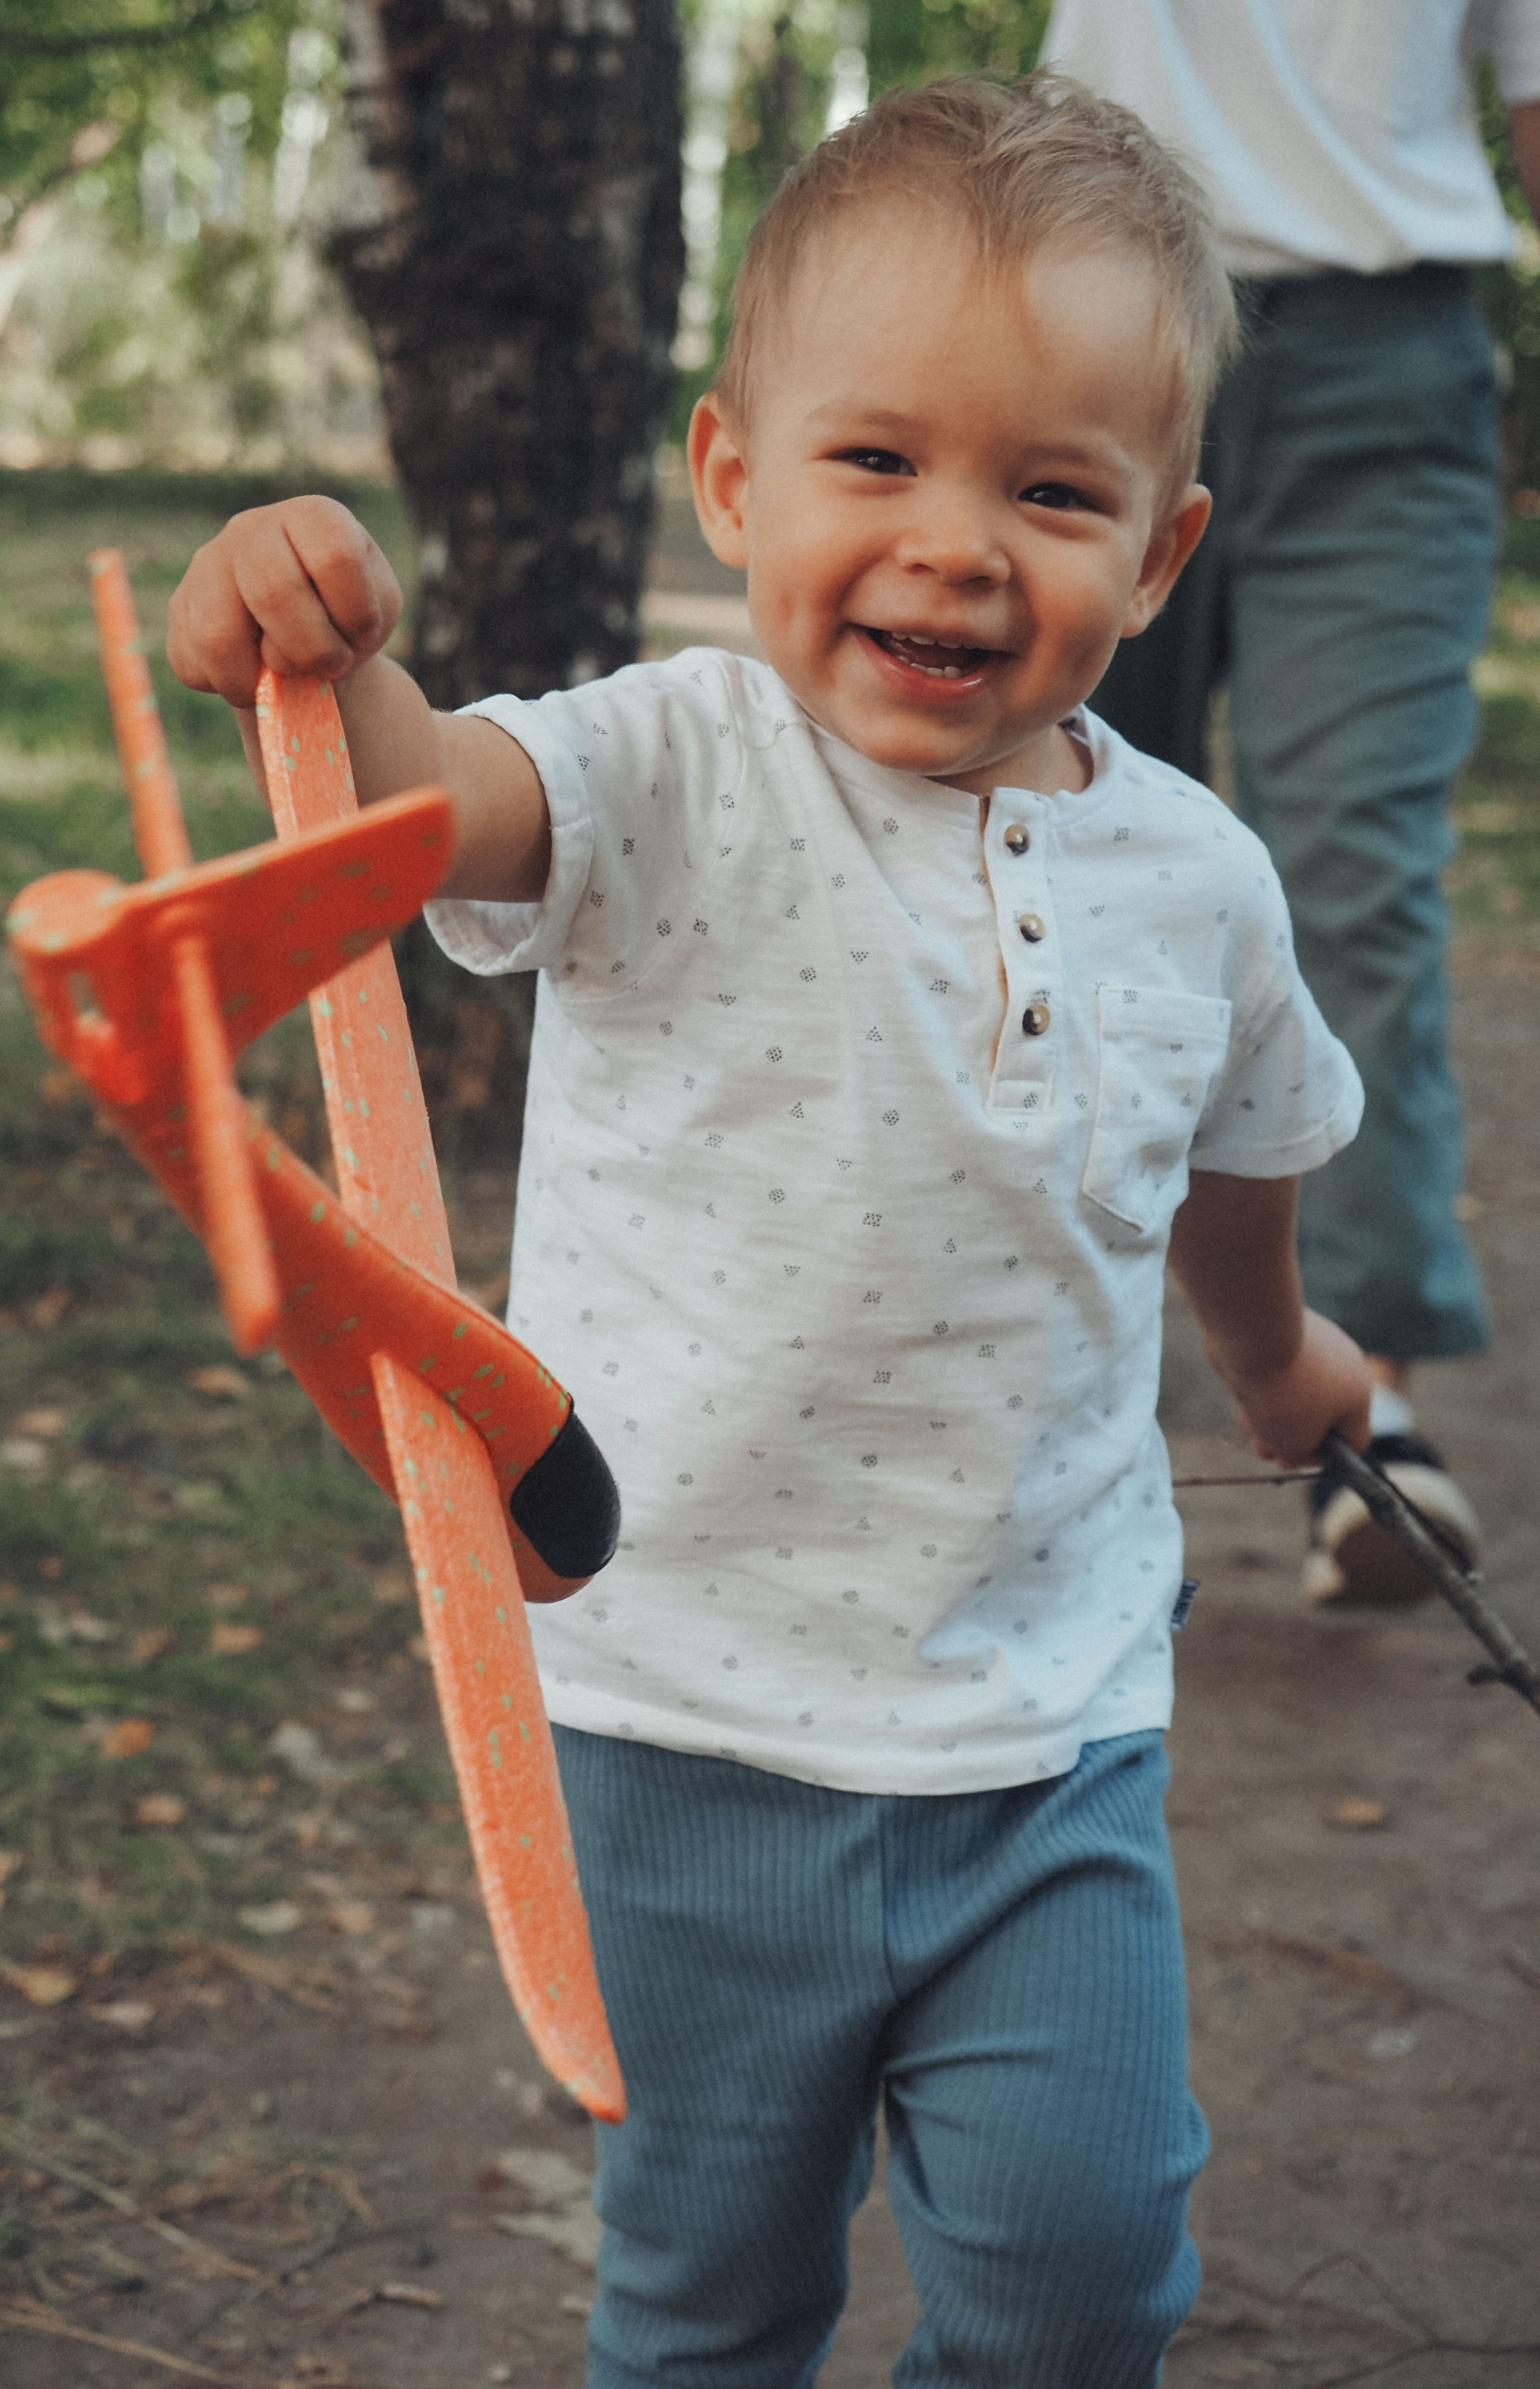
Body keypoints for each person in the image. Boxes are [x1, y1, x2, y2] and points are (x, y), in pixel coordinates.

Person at [169, 75, 1372, 2389]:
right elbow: (424, 811)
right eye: (878, 461)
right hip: (678, 1728)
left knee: (1082, 2280)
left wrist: (1280, 1363)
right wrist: (315, 646)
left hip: (1046, 1735)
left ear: (1163, 550)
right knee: (711, 2304)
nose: (955, 545)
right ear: (732, 476)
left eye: (1050, 490)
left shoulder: (1200, 880)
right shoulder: (677, 766)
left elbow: (1236, 1152)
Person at [1041, 0, 1540, 1604]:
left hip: (1388, 362)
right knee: (1034, 843)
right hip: (1089, 309)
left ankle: (1361, 1407)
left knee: (1354, 870)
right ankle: (1031, 1413)